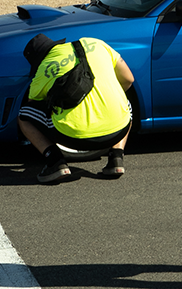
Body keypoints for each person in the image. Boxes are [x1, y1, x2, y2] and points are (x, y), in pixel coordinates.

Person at [18, 33, 134, 183]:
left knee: (24, 115)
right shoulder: (97, 44)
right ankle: (116, 158)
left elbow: (34, 105)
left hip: (73, 138)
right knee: (126, 105)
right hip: (118, 130)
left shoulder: (44, 69)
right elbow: (128, 79)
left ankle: (55, 162)